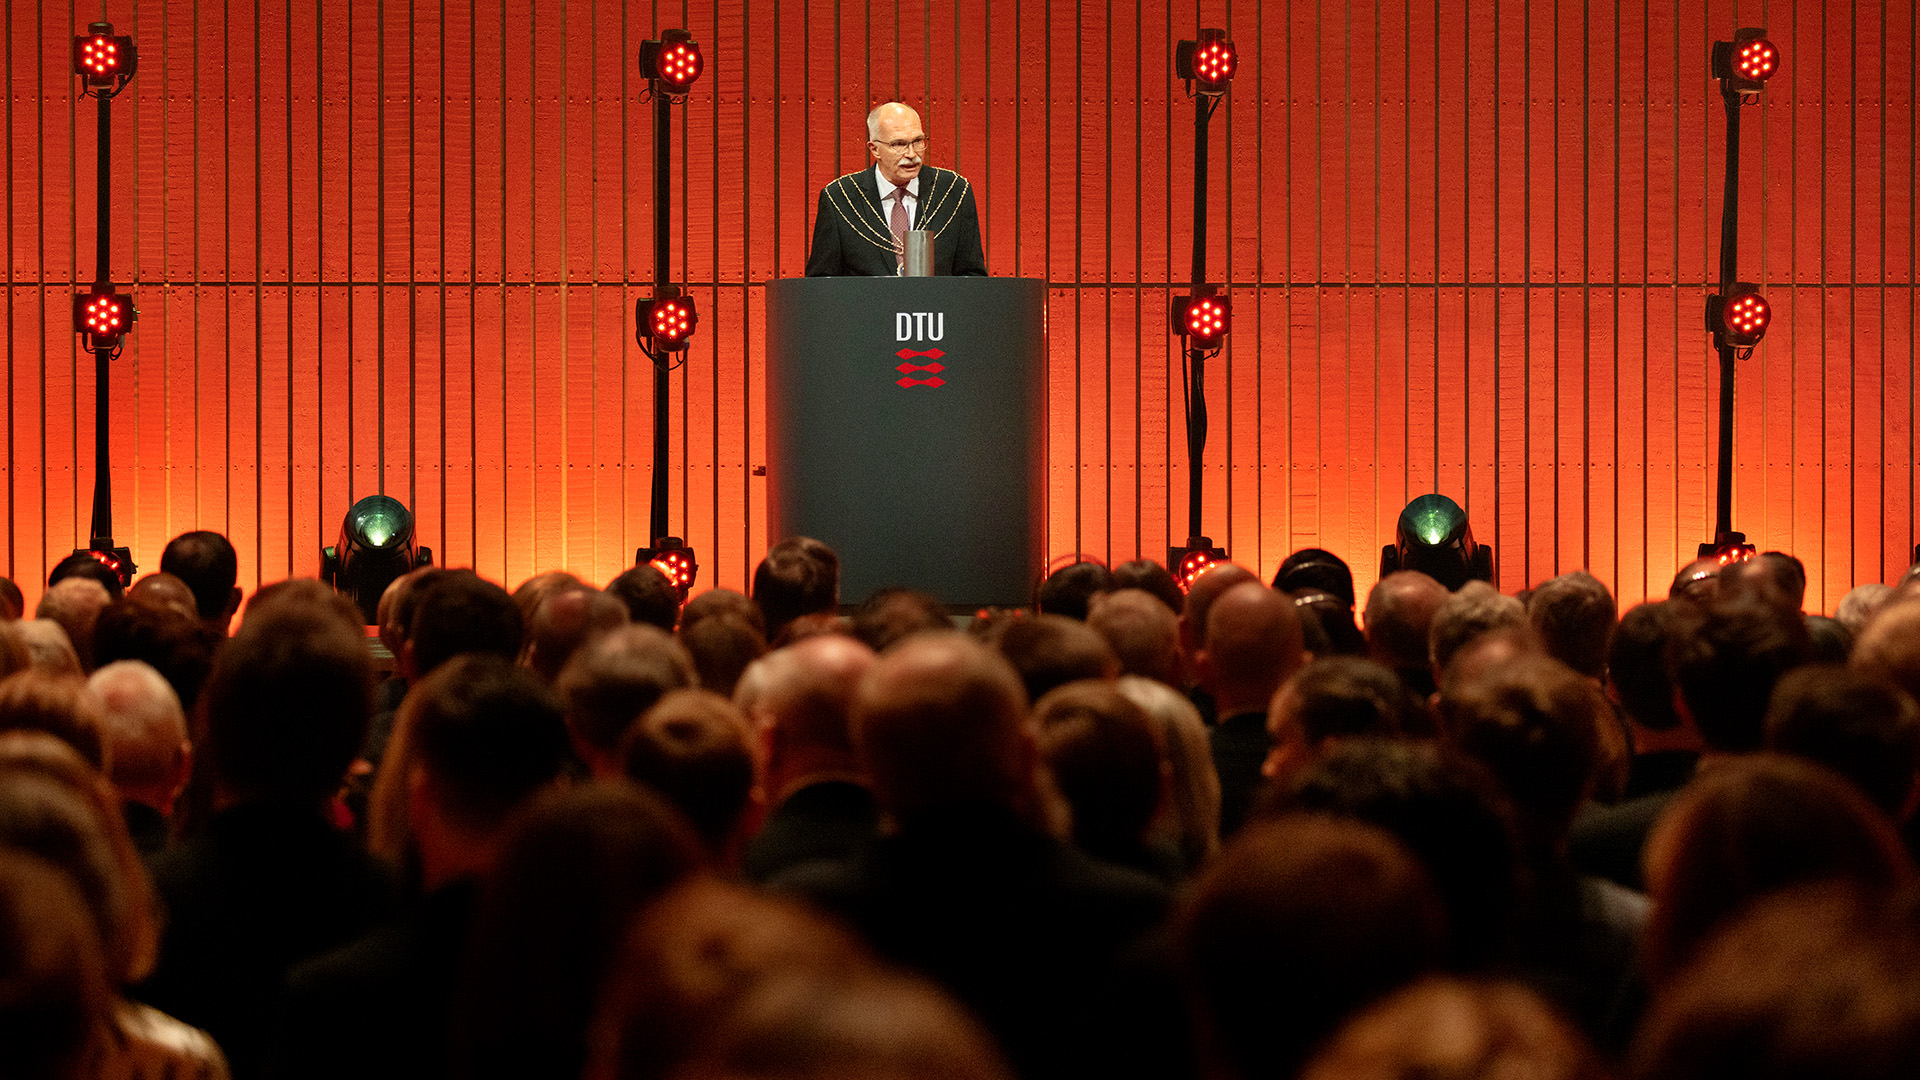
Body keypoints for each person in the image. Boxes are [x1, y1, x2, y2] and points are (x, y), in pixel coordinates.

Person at [805, 102, 986, 277]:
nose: (911, 154)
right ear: (874, 149)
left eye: (917, 141)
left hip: (937, 308)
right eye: (899, 144)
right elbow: (821, 283)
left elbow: (972, 276)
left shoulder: (953, 191)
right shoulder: (840, 198)